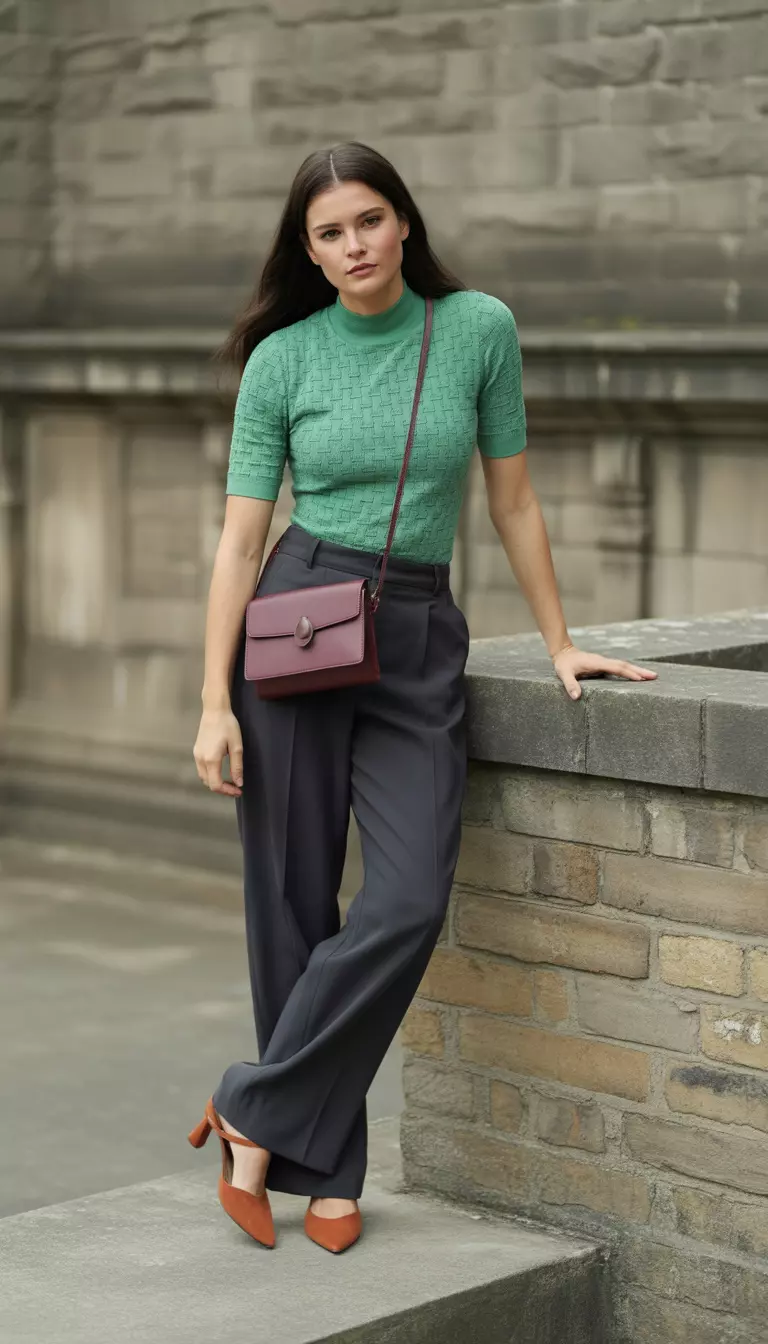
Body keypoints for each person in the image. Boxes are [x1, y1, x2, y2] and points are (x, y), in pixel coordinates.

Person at [188, 140, 658, 1255]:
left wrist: (560, 642)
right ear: (306, 251)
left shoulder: (477, 330)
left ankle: (251, 1105)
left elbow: (516, 502)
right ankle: (327, 1170)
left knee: (405, 901)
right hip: (298, 620)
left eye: (369, 221)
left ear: (406, 222)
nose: (353, 246)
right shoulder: (283, 362)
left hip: (417, 634)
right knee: (293, 907)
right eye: (329, 233)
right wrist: (212, 701)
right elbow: (240, 540)